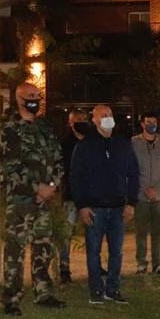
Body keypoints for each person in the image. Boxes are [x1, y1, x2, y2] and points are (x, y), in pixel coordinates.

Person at [0, 82, 66, 315]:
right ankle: (12, 298)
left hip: (44, 200)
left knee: (42, 246)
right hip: (20, 201)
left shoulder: (45, 128)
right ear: (19, 99)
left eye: (38, 96)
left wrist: (51, 186)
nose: (35, 99)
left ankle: (44, 292)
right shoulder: (10, 129)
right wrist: (36, 187)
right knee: (15, 250)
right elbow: (11, 167)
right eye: (31, 96)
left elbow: (58, 159)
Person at [71, 104, 139, 304]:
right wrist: (82, 205)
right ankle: (96, 290)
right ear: (94, 120)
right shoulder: (84, 147)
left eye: (109, 114)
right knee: (93, 251)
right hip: (94, 208)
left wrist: (131, 203)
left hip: (118, 207)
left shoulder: (123, 144)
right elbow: (76, 177)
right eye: (102, 115)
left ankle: (113, 289)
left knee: (116, 251)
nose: (107, 118)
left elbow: (133, 174)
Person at [131, 112, 160, 274]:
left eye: (154, 121)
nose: (151, 124)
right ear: (142, 124)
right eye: (148, 121)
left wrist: (157, 189)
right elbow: (131, 170)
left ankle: (158, 263)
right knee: (140, 231)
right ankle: (141, 263)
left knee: (158, 231)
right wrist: (143, 189)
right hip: (140, 196)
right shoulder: (133, 143)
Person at [58, 108, 91, 284]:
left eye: (84, 118)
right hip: (71, 195)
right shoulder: (65, 142)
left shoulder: (92, 141)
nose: (81, 121)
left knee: (93, 232)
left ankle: (94, 265)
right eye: (78, 119)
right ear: (70, 122)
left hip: (91, 196)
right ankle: (64, 267)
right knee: (66, 234)